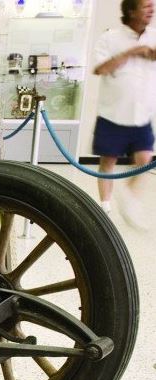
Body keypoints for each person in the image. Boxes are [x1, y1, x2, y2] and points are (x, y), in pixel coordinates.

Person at [92, 0, 156, 228]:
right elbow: (100, 68)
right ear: (131, 11)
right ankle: (105, 206)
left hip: (142, 115)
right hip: (113, 113)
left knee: (145, 161)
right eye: (146, 6)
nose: (152, 9)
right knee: (108, 160)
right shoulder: (110, 38)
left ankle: (129, 198)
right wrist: (133, 52)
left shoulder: (154, 36)